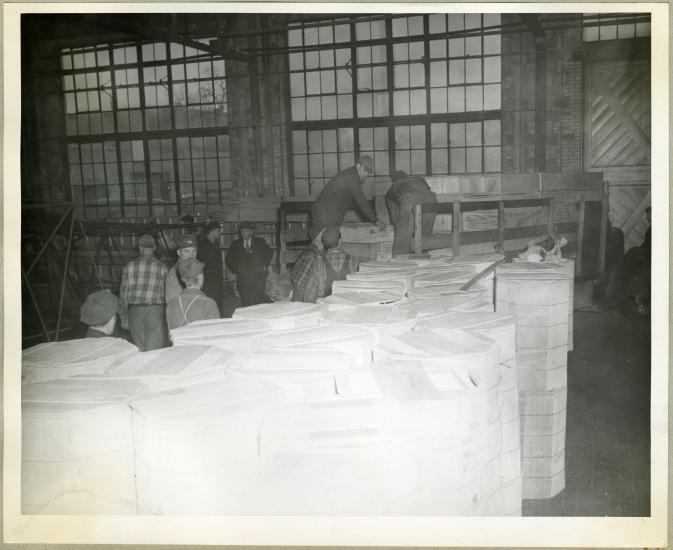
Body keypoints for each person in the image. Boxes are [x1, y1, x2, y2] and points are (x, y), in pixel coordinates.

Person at [311, 155, 387, 235]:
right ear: (358, 166)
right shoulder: (351, 177)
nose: (366, 174)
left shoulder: (350, 175)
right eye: (365, 170)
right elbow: (362, 201)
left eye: (368, 172)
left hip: (327, 213)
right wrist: (375, 220)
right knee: (325, 241)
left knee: (328, 241)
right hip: (324, 213)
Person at [119, 234, 168, 351]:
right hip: (155, 311)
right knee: (154, 351)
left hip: (135, 311)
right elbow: (165, 294)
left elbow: (123, 295)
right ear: (155, 247)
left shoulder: (129, 267)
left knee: (138, 350)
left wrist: (124, 318)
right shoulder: (162, 267)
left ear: (140, 247)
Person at [604, 207, 651, 315]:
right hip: (644, 254)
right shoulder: (651, 228)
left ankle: (620, 296)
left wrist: (640, 252)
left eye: (648, 214)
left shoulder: (654, 229)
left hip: (647, 256)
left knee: (627, 262)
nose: (646, 217)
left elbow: (649, 248)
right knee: (626, 260)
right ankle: (617, 295)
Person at [386, 170, 438, 256]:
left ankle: (398, 263)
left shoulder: (393, 188)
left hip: (411, 199)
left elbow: (394, 216)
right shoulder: (419, 179)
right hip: (432, 201)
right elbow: (425, 192)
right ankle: (423, 261)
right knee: (424, 235)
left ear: (394, 180)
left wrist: (398, 228)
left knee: (403, 236)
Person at [225, 221, 274, 307]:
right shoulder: (235, 244)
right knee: (246, 303)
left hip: (258, 278)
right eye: (242, 231)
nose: (244, 233)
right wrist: (236, 270)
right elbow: (228, 258)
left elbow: (269, 252)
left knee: (258, 303)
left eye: (246, 231)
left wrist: (265, 265)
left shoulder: (260, 242)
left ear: (251, 232)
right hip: (243, 279)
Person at [166, 258, 220, 330]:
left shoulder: (171, 304)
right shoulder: (208, 304)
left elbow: (170, 336)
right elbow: (215, 334)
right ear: (201, 277)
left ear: (182, 279)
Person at [290, 225, 340, 303]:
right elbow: (299, 287)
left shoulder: (315, 254)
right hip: (301, 304)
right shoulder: (311, 255)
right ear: (320, 236)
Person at [197, 221, 224, 316]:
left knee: (218, 305)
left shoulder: (214, 244)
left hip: (216, 281)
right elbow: (201, 264)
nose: (219, 233)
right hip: (208, 282)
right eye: (218, 231)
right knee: (212, 305)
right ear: (212, 231)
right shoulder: (204, 246)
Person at [165, 234, 198, 304]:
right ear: (179, 253)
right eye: (187, 251)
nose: (191, 255)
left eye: (194, 251)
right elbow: (173, 304)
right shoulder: (175, 274)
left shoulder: (194, 270)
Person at [323, 232, 356, 297]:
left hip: (326, 305)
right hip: (348, 304)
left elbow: (310, 294)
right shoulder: (352, 260)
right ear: (340, 241)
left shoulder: (318, 263)